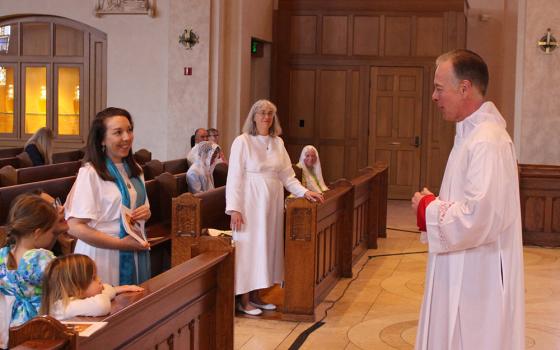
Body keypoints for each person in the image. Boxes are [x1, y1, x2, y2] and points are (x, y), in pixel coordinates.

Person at [411, 49, 524, 350]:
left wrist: (428, 208)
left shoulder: (487, 140)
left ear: (464, 88)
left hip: (477, 275)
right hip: (462, 264)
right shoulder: (470, 135)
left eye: (438, 88)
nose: (434, 97)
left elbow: (479, 216)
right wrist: (435, 203)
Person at [226, 99, 324, 316]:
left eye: (270, 114)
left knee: (266, 247)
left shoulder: (277, 143)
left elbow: (287, 176)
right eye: (261, 113)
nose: (266, 118)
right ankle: (243, 299)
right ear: (253, 116)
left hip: (271, 203)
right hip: (250, 202)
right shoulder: (242, 141)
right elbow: (234, 177)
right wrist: (234, 208)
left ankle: (258, 295)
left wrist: (305, 192)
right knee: (249, 249)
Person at [65, 107, 151, 287]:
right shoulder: (91, 173)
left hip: (132, 246)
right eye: (118, 132)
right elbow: (74, 227)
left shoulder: (135, 170)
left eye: (129, 130)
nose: (127, 137)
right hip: (102, 255)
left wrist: (145, 213)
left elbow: (138, 208)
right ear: (102, 139)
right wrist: (120, 244)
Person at [0, 194, 60, 327]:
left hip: (7, 324)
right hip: (39, 322)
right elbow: (66, 285)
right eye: (51, 231)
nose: (52, 235)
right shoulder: (41, 258)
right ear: (38, 233)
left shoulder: (2, 254)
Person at [40, 254, 143, 320]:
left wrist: (116, 290)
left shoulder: (74, 299)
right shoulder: (63, 307)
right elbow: (102, 305)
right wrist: (107, 292)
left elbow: (105, 288)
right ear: (76, 288)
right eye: (93, 278)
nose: (100, 281)